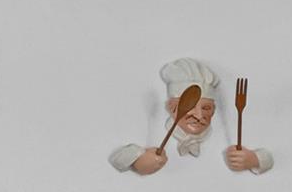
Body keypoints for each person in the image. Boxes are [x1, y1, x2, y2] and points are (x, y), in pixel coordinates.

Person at [109, 57, 272, 176]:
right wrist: (137, 161)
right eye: (190, 107)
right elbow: (116, 159)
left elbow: (269, 158)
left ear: (214, 110)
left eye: (206, 108)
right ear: (172, 108)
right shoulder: (157, 128)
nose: (199, 115)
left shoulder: (225, 130)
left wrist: (253, 160)